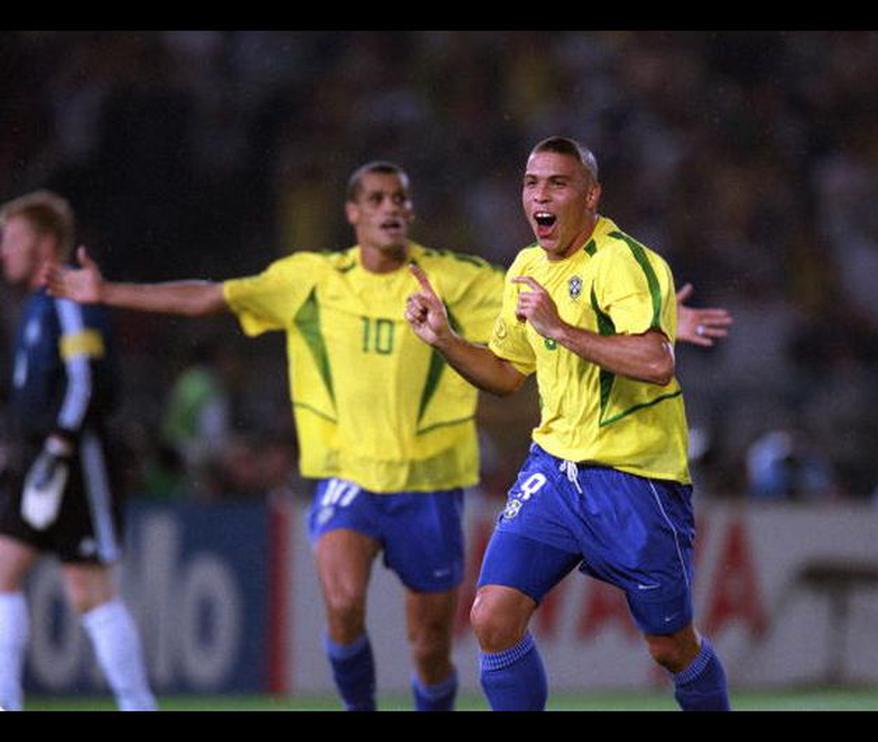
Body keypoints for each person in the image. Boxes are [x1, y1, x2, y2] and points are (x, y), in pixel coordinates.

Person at [47, 161, 731, 712]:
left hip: (459, 480)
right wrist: (107, 294)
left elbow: (595, 309)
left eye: (400, 196)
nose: (390, 208)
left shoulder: (463, 275)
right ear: (353, 212)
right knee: (465, 614)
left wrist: (666, 311)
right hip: (413, 472)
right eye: (375, 197)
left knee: (659, 645)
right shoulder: (315, 278)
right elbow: (213, 295)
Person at [405, 137, 730, 711]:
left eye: (558, 183)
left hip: (636, 479)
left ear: (591, 195)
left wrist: (562, 331)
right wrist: (445, 340)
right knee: (492, 618)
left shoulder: (625, 262)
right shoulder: (527, 268)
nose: (540, 196)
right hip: (554, 471)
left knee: (670, 646)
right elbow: (507, 373)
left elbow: (657, 362)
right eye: (532, 183)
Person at [0, 191, 156, 711]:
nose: (4, 249)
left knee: (89, 592)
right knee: (2, 573)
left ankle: (139, 706)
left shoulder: (65, 296)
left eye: (13, 237)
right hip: (38, 461)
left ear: (45, 243)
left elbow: (85, 381)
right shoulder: (34, 306)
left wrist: (59, 448)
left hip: (73, 461)